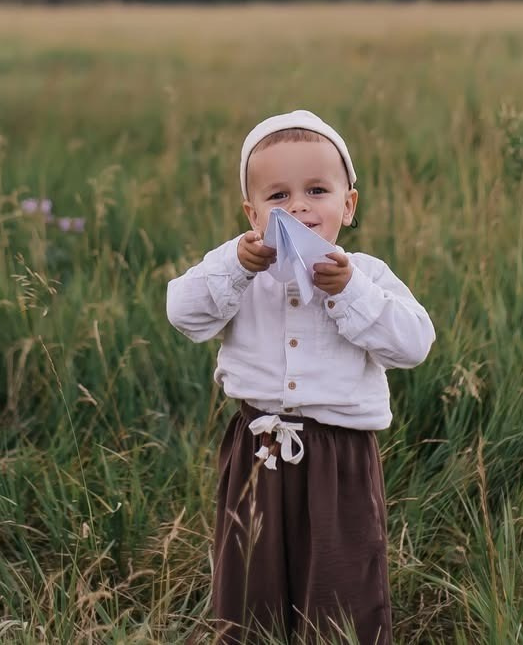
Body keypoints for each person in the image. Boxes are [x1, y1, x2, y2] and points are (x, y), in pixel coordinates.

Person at [166, 108, 436, 645]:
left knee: (340, 580)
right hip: (257, 445)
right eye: (278, 197)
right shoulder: (243, 274)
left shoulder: (368, 275)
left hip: (340, 455)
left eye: (316, 190)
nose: (299, 208)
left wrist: (348, 290)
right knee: (251, 578)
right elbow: (184, 313)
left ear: (348, 204)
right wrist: (236, 265)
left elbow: (413, 344)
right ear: (252, 212)